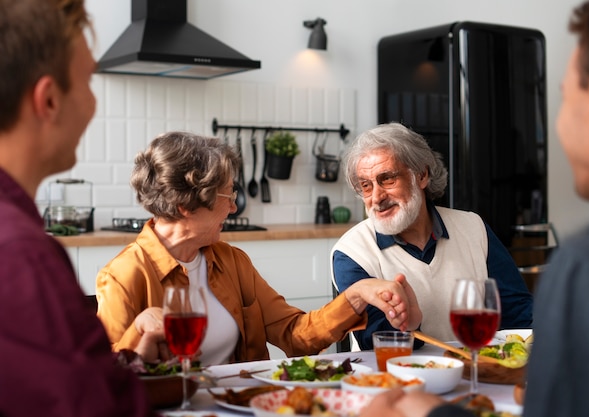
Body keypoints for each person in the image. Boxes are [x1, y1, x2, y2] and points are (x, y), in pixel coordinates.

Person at [360, 0, 589, 416]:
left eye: (565, 98)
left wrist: (429, 412)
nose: (554, 125)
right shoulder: (355, 250)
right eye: (365, 185)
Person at [95, 131, 421, 365]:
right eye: (228, 197)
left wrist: (356, 294)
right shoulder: (125, 275)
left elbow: (294, 335)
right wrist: (139, 331)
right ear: (186, 206)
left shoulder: (231, 261)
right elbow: (101, 380)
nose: (234, 209)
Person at [0, 1, 165, 416]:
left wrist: (132, 361)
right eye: (89, 81)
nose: (93, 104)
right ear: (49, 100)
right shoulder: (22, 254)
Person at [332, 122, 533, 349]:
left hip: (479, 374)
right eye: (366, 186)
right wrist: (409, 325)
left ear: (422, 175)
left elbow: (519, 315)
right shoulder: (352, 252)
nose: (376, 197)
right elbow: (375, 343)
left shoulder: (473, 227)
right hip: (398, 381)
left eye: (387, 179)